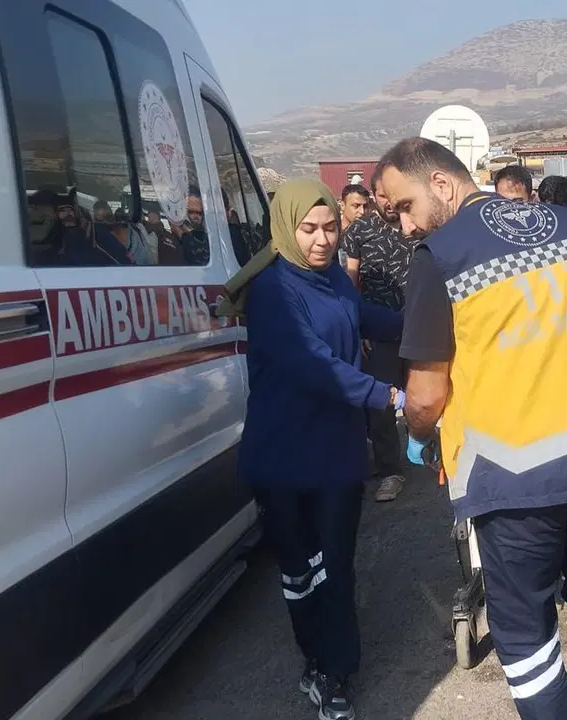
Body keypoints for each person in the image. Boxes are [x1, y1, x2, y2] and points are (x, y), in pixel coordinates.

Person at [378, 138, 567, 720]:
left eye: (405, 206)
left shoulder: (441, 256)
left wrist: (416, 431)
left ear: (442, 184)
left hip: (515, 480)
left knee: (524, 629)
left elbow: (427, 395)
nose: (406, 226)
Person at [217, 179, 404, 720]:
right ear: (284, 230)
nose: (322, 240)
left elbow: (362, 315)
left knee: (336, 565)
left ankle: (335, 669)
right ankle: (315, 657)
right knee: (301, 570)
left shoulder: (332, 277)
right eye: (309, 229)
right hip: (286, 455)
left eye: (330, 228)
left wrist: (427, 324)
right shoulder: (274, 291)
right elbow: (313, 365)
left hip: (336, 451)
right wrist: (388, 395)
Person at [341, 172, 419, 503]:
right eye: (382, 195)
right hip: (378, 330)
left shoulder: (419, 225)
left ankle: (432, 451)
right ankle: (390, 470)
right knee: (381, 402)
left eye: (392, 194)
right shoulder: (360, 231)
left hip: (421, 326)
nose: (389, 202)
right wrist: (357, 327)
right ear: (374, 196)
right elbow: (350, 280)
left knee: (428, 393)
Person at [337, 184, 370, 267]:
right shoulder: (334, 234)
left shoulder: (371, 234)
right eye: (356, 206)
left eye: (365, 206)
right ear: (342, 205)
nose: (362, 211)